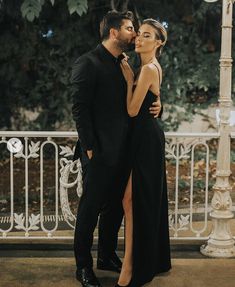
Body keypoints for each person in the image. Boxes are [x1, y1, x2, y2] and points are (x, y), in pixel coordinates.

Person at [71, 11, 162, 287]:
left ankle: (106, 256)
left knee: (115, 210)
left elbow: (142, 94)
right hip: (98, 153)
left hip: (125, 151)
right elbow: (79, 109)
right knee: (90, 210)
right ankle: (83, 267)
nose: (134, 33)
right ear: (114, 32)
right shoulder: (88, 63)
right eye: (129, 29)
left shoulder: (125, 62)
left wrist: (160, 106)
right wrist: (89, 149)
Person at [116, 19, 172, 287]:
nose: (139, 39)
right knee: (133, 201)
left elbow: (131, 110)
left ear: (158, 43)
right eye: (138, 34)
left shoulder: (148, 69)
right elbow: (151, 101)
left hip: (146, 141)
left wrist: (128, 81)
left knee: (135, 201)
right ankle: (139, 261)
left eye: (146, 36)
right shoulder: (146, 67)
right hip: (143, 138)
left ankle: (131, 266)